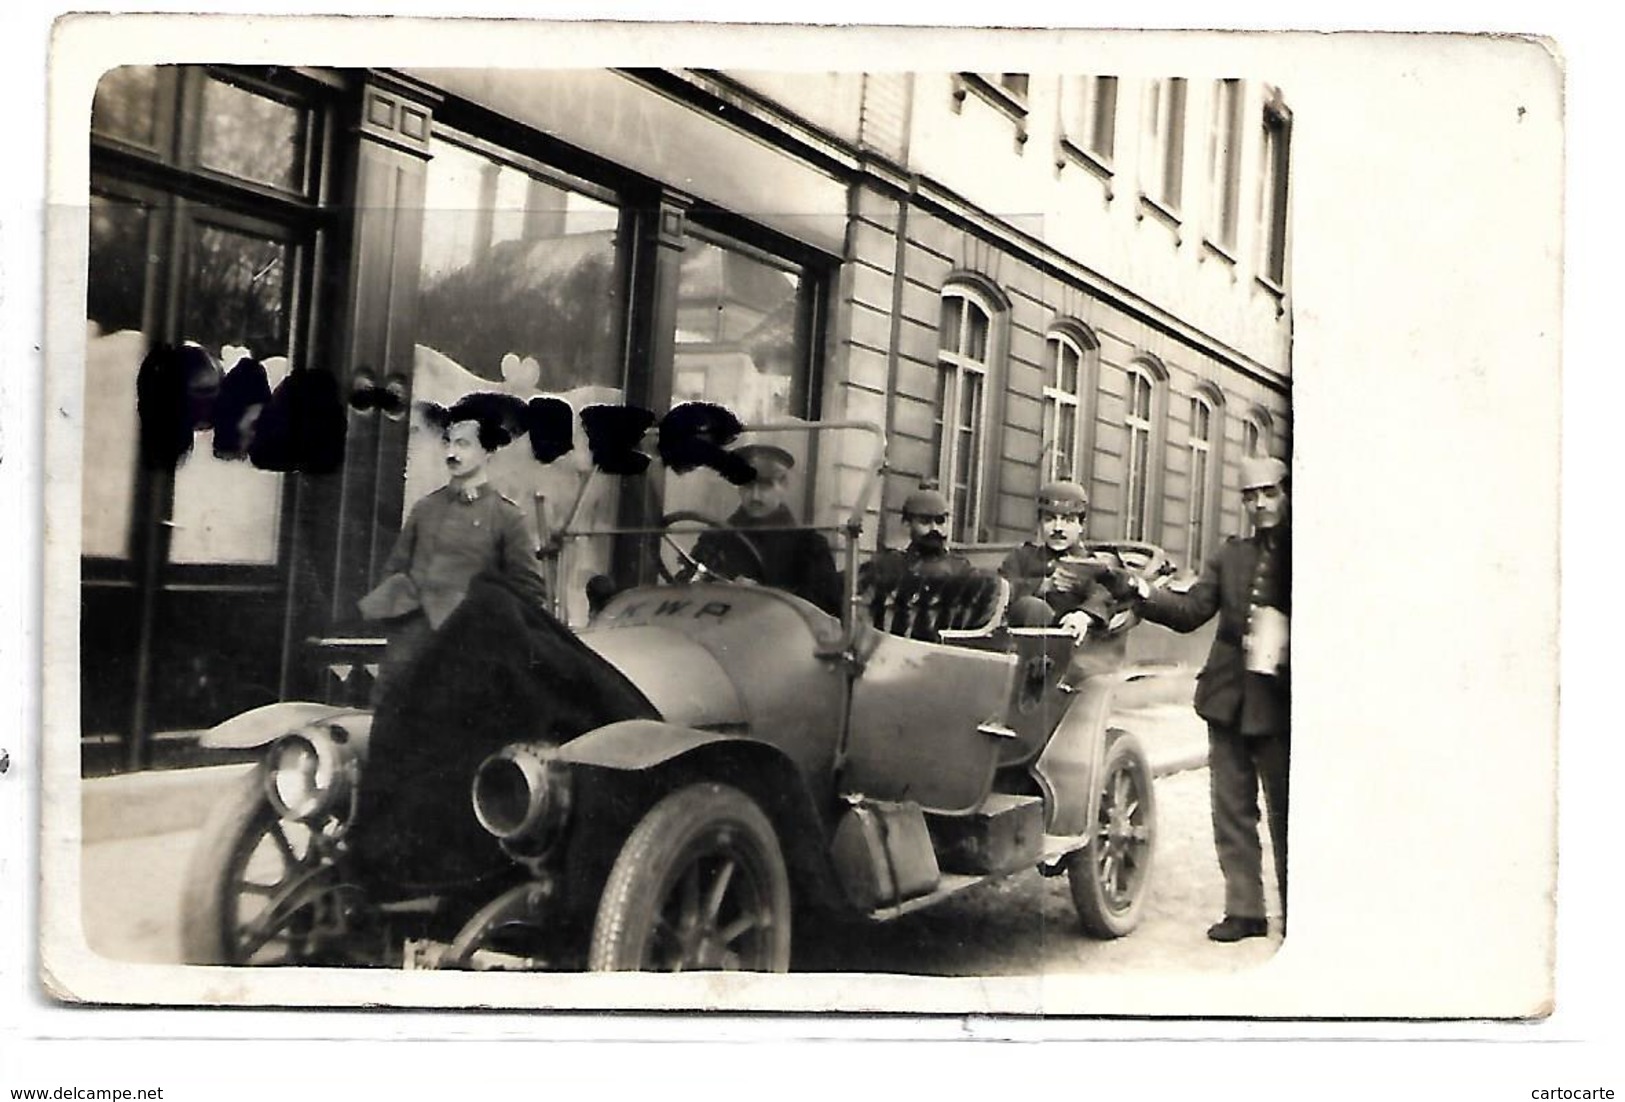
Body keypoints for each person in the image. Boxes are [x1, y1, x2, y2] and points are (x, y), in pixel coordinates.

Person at [1127, 455, 1291, 942]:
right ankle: (1245, 911)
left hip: (1282, 704)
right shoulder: (1231, 555)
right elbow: (1192, 611)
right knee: (1231, 809)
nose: (1259, 503)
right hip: (1227, 700)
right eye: (1250, 495)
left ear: (1287, 493)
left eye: (1269, 493)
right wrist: (1140, 590)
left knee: (1289, 814)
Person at [359, 392, 542, 703]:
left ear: (488, 453)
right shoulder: (425, 508)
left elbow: (529, 592)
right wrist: (403, 618)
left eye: (464, 444)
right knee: (389, 712)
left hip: (470, 646)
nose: (452, 453)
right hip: (412, 642)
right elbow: (394, 569)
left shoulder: (507, 517)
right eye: (449, 442)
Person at [690, 442, 841, 615]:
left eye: (764, 486)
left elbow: (824, 608)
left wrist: (765, 594)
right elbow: (686, 586)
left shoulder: (808, 545)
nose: (755, 496)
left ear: (783, 486)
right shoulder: (716, 539)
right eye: (747, 486)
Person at [998, 480, 1117, 639]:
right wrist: (1043, 585)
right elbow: (1000, 591)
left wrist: (1083, 617)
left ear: (1081, 525)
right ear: (1039, 523)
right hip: (1015, 647)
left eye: (1068, 520)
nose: (1058, 528)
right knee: (1031, 606)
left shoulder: (1091, 564)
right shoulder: (1021, 558)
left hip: (1067, 650)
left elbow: (1104, 596)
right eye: (1049, 519)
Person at [862, 482, 975, 588]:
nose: (934, 528)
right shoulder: (890, 567)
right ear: (907, 524)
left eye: (940, 521)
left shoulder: (961, 570)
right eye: (925, 521)